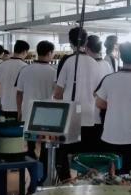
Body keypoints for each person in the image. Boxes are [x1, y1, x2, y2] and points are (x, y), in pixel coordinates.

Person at [95, 43, 131, 173]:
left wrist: (115, 105)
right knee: (129, 172)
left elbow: (99, 103)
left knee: (110, 171)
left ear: (121, 57)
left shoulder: (109, 79)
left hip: (110, 133)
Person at [54, 32, 106, 166]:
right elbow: (99, 93)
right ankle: (86, 178)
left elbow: (58, 93)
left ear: (70, 42)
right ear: (86, 42)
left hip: (71, 115)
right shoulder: (95, 64)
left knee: (66, 153)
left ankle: (66, 177)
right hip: (90, 115)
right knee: (86, 156)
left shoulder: (68, 62)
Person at [16, 41, 57, 168]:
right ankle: (44, 170)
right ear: (49, 53)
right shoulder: (54, 72)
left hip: (28, 112)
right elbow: (57, 94)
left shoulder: (25, 70)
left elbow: (19, 93)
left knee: (30, 144)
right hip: (47, 114)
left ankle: (31, 168)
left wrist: (19, 111)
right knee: (45, 144)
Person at [85, 34, 114, 140]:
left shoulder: (87, 66)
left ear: (87, 48)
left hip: (88, 114)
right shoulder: (107, 65)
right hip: (104, 113)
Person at [0, 40, 30, 119]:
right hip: (19, 108)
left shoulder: (1, 65)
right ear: (25, 52)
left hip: (4, 105)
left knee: (4, 125)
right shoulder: (26, 67)